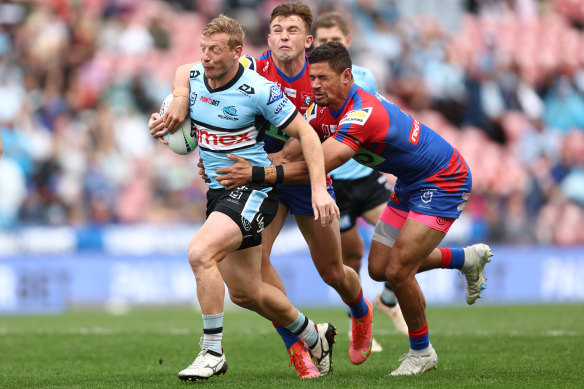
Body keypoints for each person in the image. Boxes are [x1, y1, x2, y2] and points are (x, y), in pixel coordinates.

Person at [215, 41, 494, 376]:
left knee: (398, 271)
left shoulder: (362, 113)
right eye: (312, 78)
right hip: (408, 184)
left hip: (443, 180)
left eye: (323, 78)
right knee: (378, 269)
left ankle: (422, 351)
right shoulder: (320, 110)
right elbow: (290, 154)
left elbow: (320, 164)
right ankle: (465, 259)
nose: (314, 85)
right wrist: (235, 162)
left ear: (346, 76)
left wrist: (256, 172)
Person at [166, 2, 375, 378]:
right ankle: (299, 347)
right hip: (260, 178)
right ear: (267, 37)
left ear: (307, 40)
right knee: (253, 276)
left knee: (331, 271)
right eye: (277, 29)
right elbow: (194, 72)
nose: (283, 36)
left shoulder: (322, 78)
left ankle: (360, 311)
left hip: (303, 175)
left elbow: (319, 135)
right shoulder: (254, 69)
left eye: (291, 30)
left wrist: (318, 188)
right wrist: (190, 113)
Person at [312, 11, 408, 342]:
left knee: (403, 239)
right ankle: (359, 318)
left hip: (366, 179)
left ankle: (388, 298)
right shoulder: (312, 81)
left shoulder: (364, 78)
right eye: (321, 39)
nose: (326, 44)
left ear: (347, 43)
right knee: (349, 260)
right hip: (333, 183)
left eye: (333, 40)